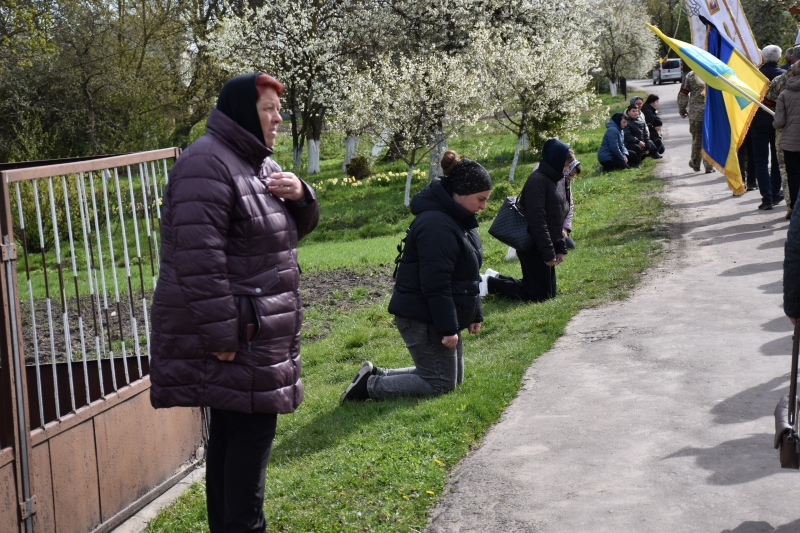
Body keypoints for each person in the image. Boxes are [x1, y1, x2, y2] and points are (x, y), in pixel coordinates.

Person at [148, 73, 319, 533]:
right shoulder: (207, 165)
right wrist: (222, 336)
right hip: (239, 337)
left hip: (253, 332)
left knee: (232, 442)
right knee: (247, 449)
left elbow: (278, 236)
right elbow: (196, 262)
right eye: (268, 109)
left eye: (278, 110)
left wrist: (302, 195)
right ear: (244, 112)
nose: (278, 118)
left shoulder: (256, 164)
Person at [340, 154, 491, 402]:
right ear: (461, 193)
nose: (484, 207)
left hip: (437, 311)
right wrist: (448, 328)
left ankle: (375, 374)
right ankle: (369, 387)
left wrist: (475, 313)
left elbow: (467, 274)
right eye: (481, 199)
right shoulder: (437, 226)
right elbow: (436, 284)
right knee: (441, 384)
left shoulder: (460, 220)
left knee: (452, 379)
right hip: (422, 315)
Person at [484, 139, 575, 302]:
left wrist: (559, 247)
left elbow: (555, 219)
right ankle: (490, 284)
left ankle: (495, 277)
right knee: (539, 295)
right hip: (532, 245)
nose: (567, 169)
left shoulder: (552, 180)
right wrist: (548, 252)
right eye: (566, 165)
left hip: (542, 243)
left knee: (547, 292)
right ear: (555, 160)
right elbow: (537, 221)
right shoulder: (537, 181)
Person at [751, 44, 785, 210]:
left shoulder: (753, 76)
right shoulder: (785, 76)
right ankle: (775, 191)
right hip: (778, 122)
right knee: (777, 159)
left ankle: (767, 198)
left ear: (762, 58)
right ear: (779, 58)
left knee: (761, 160)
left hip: (757, 122)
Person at [765, 46, 798, 214]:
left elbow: (768, 101)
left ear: (791, 60)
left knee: (786, 169)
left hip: (785, 133)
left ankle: (791, 205)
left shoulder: (780, 81)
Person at [773, 61, 800, 215]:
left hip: (790, 143)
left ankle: (795, 210)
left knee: (793, 176)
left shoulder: (785, 94)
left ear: (791, 74)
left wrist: (775, 123)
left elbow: (779, 122)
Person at [678, 70, 714, 174]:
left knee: (697, 138)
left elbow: (683, 93)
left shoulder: (691, 75)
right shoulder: (713, 72)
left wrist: (682, 109)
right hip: (711, 112)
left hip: (695, 113)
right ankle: (709, 165)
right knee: (709, 138)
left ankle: (695, 162)